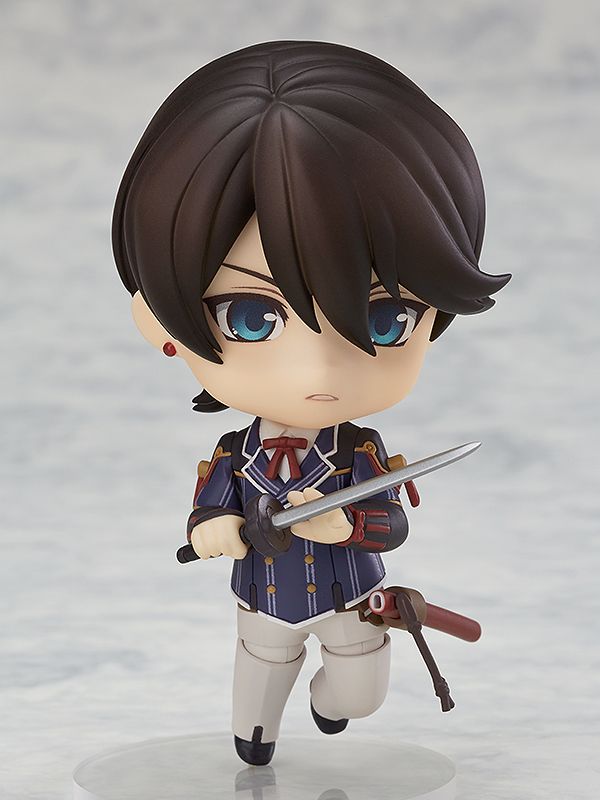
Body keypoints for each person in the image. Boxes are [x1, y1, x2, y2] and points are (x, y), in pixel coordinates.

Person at [112, 40, 510, 766]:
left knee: (358, 692)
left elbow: (388, 523)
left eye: (384, 319)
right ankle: (255, 741)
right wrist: (212, 528)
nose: (319, 370)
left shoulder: (358, 455)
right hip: (263, 597)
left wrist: (345, 523)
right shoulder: (235, 456)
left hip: (350, 597)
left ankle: (329, 706)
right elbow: (209, 507)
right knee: (258, 689)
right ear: (158, 323)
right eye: (251, 318)